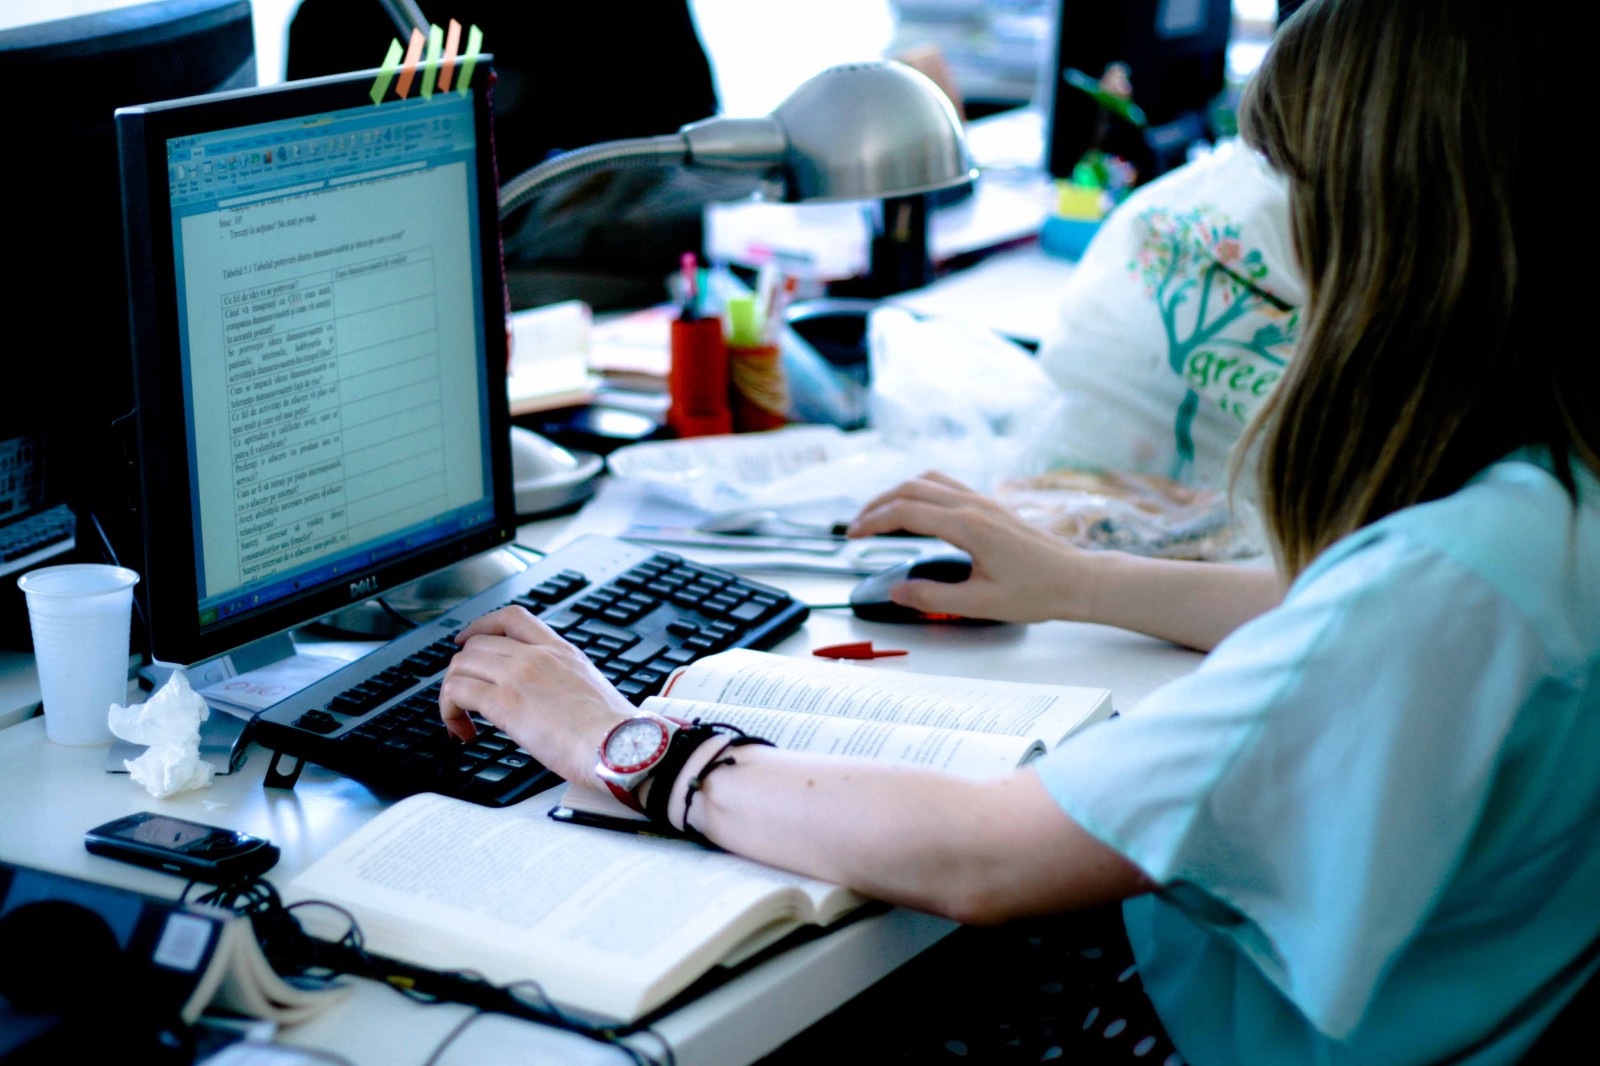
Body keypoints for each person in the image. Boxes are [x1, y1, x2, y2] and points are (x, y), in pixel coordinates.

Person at [436, 0, 1598, 1061]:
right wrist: (1079, 581)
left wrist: (622, 742)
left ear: (1389, 231)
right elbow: (1332, 601)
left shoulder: (1447, 587)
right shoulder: (1544, 504)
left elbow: (983, 855)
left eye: (1297, 187)